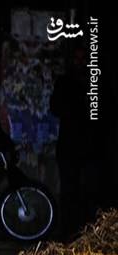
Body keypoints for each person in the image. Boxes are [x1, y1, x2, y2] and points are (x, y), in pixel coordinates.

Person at [50, 46, 101, 240]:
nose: (80, 63)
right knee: (69, 190)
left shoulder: (94, 83)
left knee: (89, 190)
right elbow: (56, 107)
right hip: (70, 146)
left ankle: (87, 233)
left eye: (83, 59)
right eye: (77, 59)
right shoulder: (65, 82)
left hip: (90, 147)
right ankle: (69, 233)